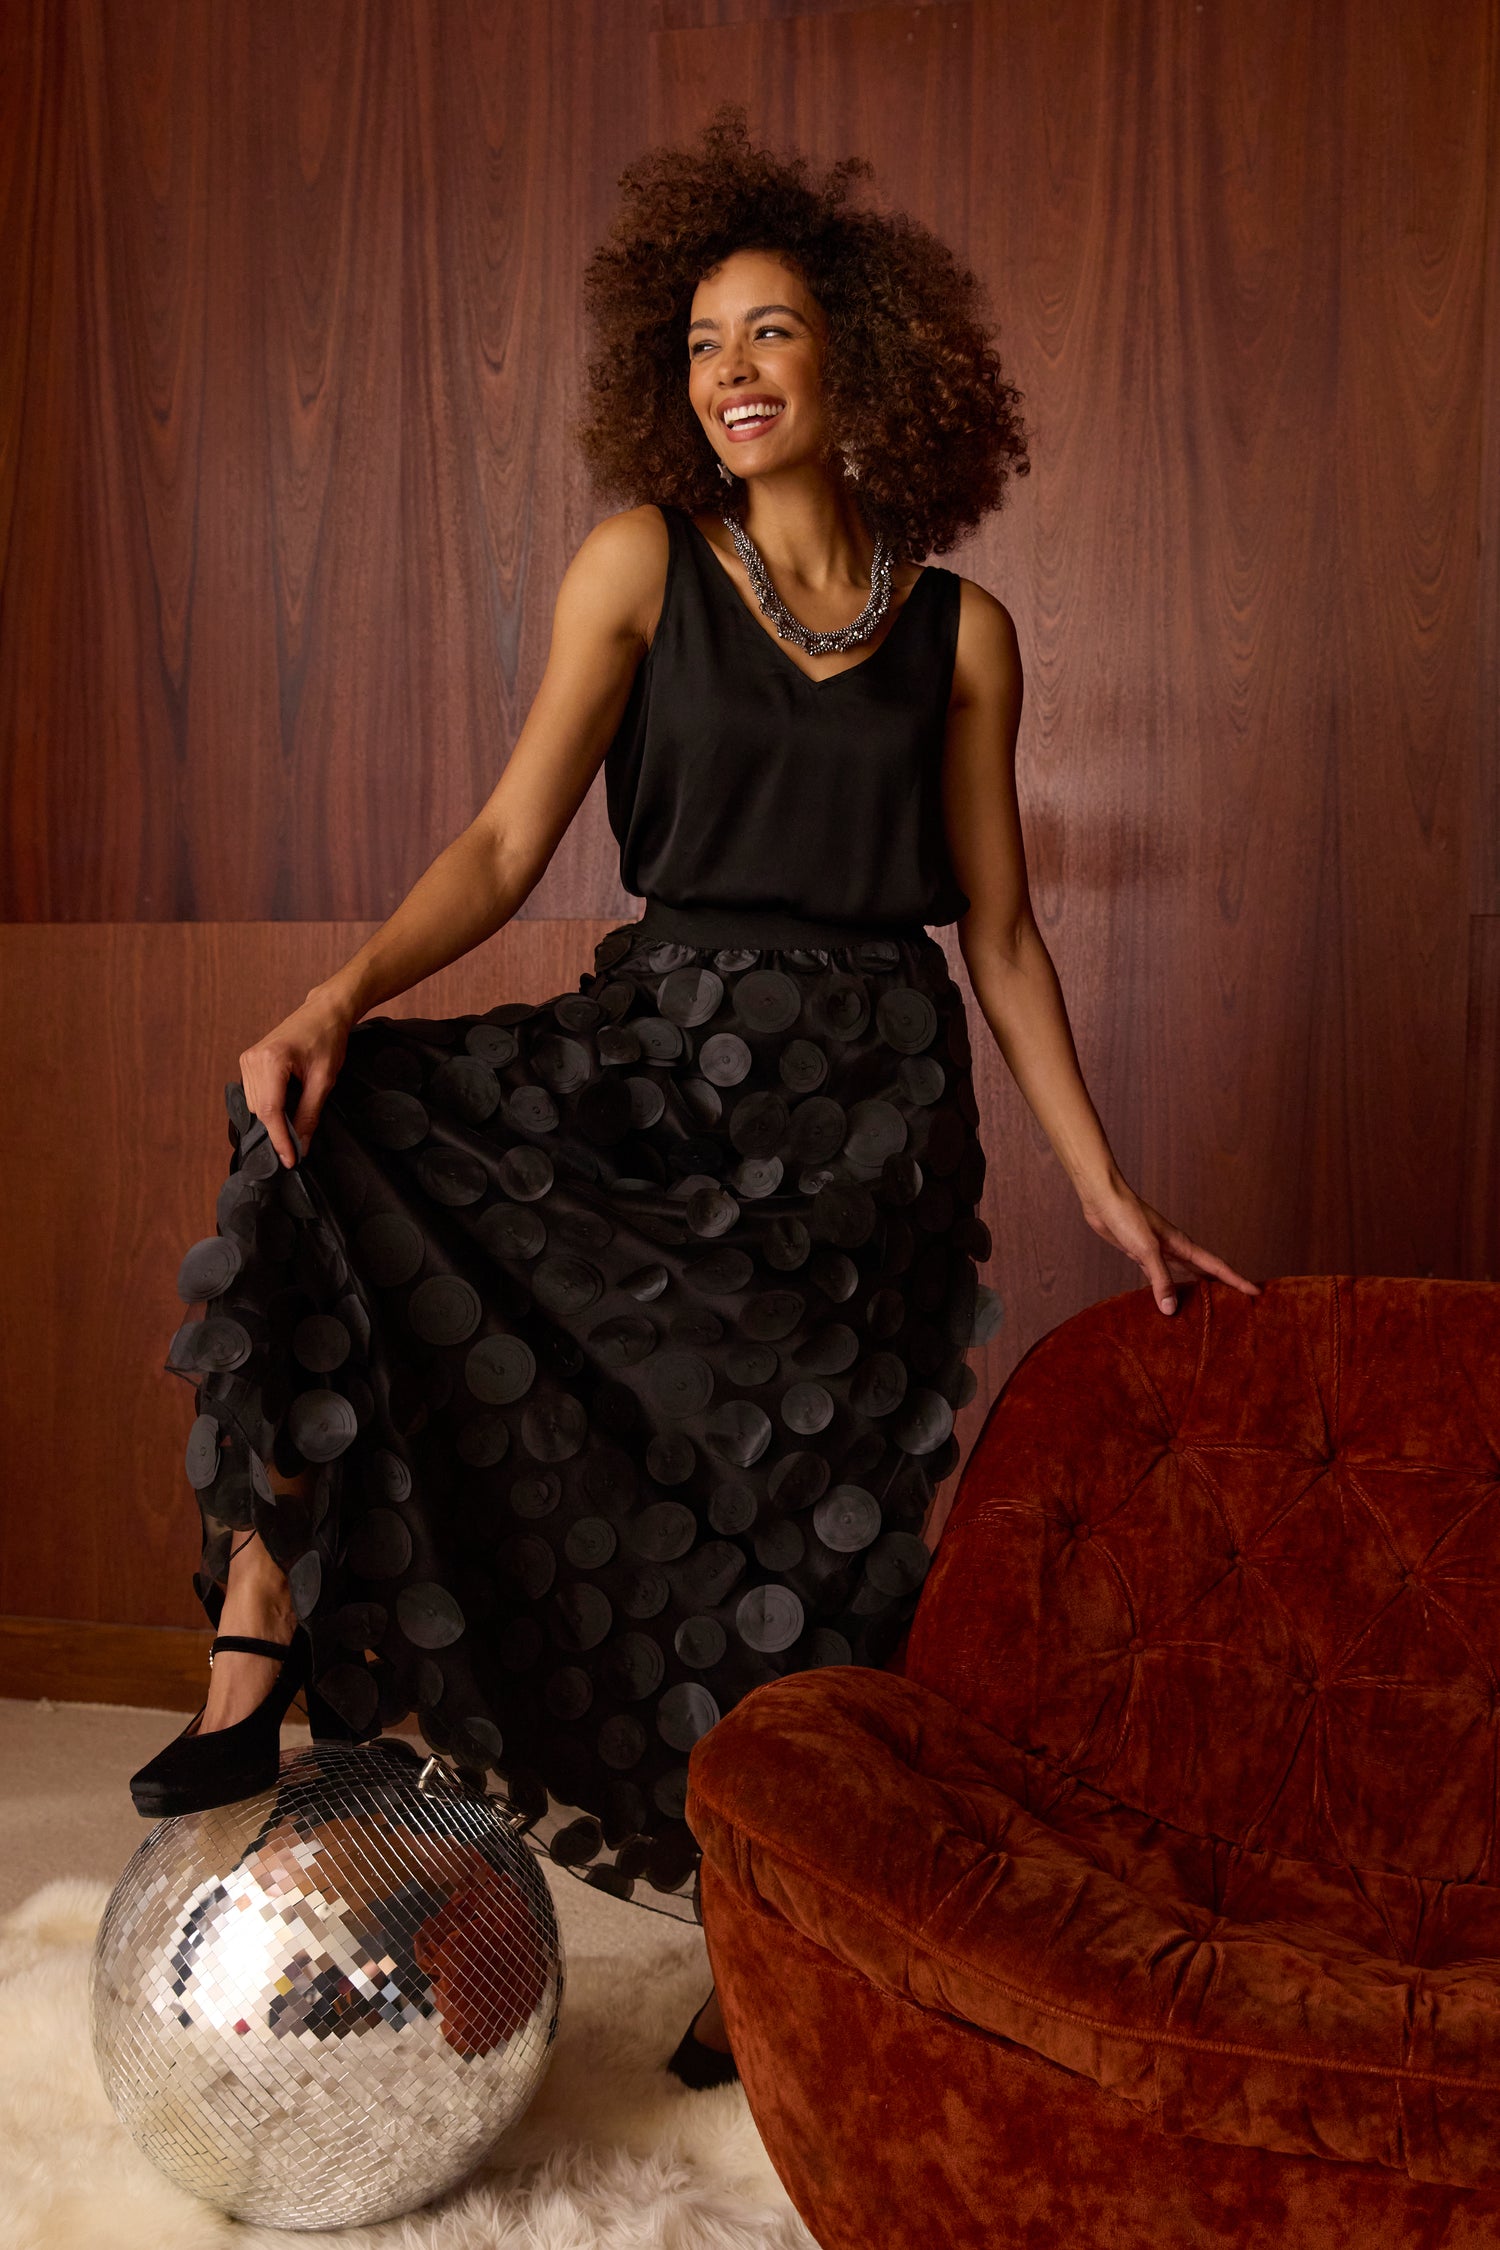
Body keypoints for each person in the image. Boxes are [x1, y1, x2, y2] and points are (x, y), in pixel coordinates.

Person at [130, 108, 1260, 2088]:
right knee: (330, 1119)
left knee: (805, 1541)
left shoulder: (964, 636)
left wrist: (1106, 1188)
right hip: (659, 1072)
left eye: (772, 336)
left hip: (872, 1132)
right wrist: (332, 991)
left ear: (863, 364)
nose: (731, 375)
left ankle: (777, 1941)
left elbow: (998, 937)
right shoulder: (642, 564)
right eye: (702, 344)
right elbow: (501, 846)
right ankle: (262, 1636)